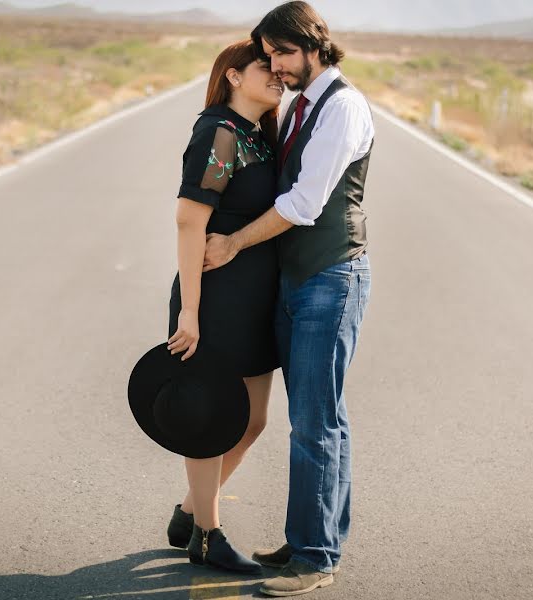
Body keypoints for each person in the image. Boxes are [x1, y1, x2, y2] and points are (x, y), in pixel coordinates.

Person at [202, 1, 375, 595]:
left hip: (331, 276)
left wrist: (233, 243)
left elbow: (304, 204)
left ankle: (316, 556)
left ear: (315, 45)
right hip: (296, 281)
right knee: (314, 419)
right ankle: (307, 536)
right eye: (268, 55)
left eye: (283, 52)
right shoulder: (298, 105)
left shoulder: (343, 106)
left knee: (316, 422)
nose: (275, 65)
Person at [163, 39, 284, 574]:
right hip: (216, 299)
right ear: (233, 76)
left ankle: (191, 510)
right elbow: (190, 221)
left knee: (253, 420)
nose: (278, 72)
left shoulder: (259, 135)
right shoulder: (219, 132)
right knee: (213, 419)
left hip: (256, 298)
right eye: (266, 65)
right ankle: (208, 534)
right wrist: (190, 311)